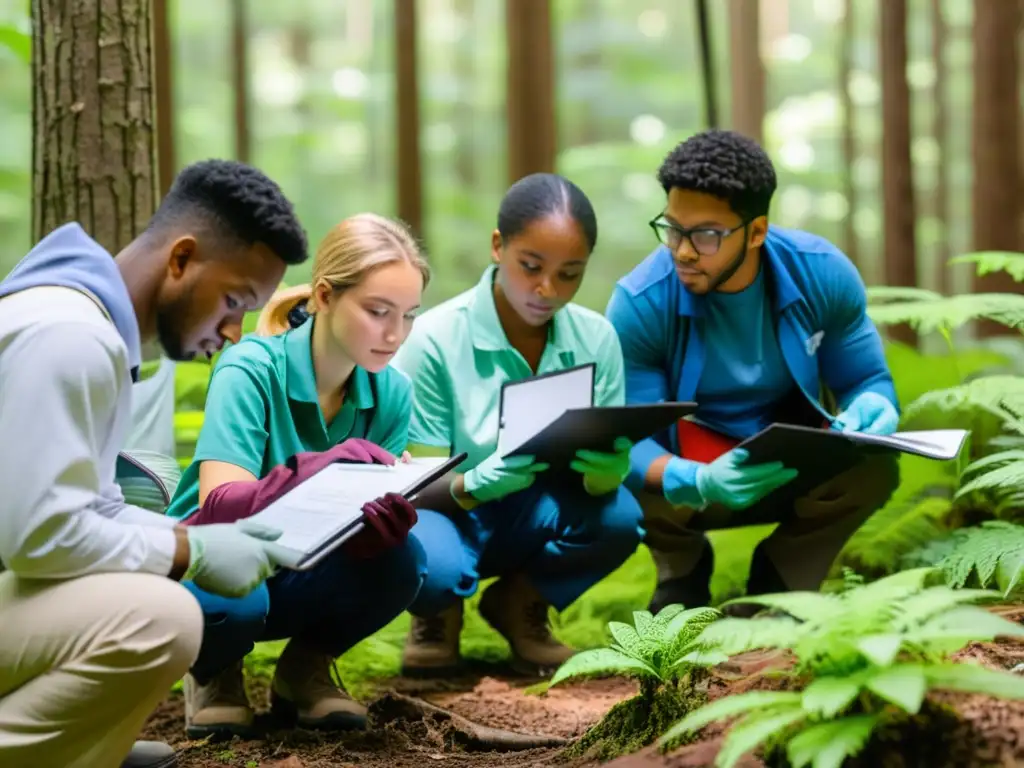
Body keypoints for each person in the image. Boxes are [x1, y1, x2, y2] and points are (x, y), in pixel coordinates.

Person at [0, 159, 309, 768]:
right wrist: (191, 553)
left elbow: (95, 508)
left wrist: (194, 534)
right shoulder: (71, 337)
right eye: (233, 300)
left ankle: (83, 748)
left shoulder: (92, 326)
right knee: (162, 619)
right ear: (180, 259)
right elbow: (39, 537)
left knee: (141, 580)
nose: (234, 331)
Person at [605, 129, 901, 615]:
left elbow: (867, 380)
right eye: (672, 228)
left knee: (874, 469)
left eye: (705, 235)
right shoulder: (640, 301)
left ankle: (783, 582)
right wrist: (695, 480)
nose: (681, 251)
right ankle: (681, 574)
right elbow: (626, 439)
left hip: (789, 456)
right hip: (689, 467)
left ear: (757, 231)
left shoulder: (823, 273)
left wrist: (877, 406)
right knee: (617, 478)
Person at [163, 213, 430, 738]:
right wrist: (316, 467)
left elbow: (357, 519)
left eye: (409, 315)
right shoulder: (250, 368)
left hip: (307, 563)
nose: (395, 334)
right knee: (233, 594)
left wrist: (381, 527)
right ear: (325, 297)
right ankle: (214, 670)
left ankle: (303, 670)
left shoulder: (392, 392)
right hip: (212, 559)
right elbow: (219, 506)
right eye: (377, 311)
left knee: (405, 560)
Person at [393, 173, 645, 677]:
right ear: (497, 247)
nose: (547, 289)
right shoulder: (435, 340)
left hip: (540, 504)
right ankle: (436, 613)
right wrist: (476, 482)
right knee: (430, 562)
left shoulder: (597, 339)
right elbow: (415, 486)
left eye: (570, 274)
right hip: (450, 507)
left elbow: (604, 460)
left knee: (620, 518)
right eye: (530, 267)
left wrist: (607, 471)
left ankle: (521, 605)